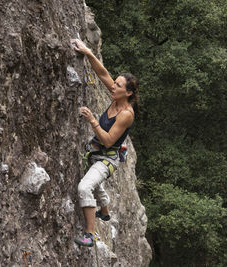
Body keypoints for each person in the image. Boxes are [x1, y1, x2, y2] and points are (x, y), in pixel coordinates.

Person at [71, 39, 139, 247]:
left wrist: (92, 120)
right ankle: (105, 211)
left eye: (118, 85)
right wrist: (89, 53)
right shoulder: (117, 97)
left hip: (106, 159)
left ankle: (90, 235)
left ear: (128, 93)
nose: (113, 86)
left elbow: (109, 141)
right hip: (98, 155)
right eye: (115, 83)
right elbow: (102, 74)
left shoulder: (126, 113)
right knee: (96, 184)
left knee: (85, 187)